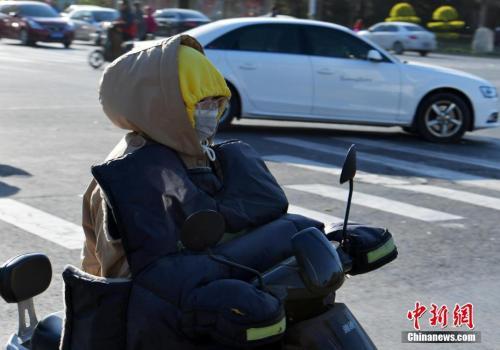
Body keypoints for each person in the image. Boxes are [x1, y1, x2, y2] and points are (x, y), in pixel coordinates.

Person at [78, 34, 321, 348]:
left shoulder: (199, 153)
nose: (211, 112)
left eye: (216, 103)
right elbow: (125, 275)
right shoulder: (126, 177)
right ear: (162, 107)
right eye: (200, 103)